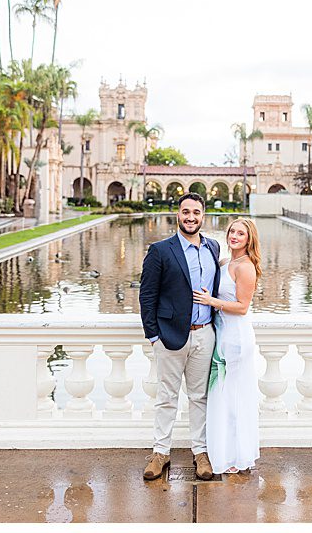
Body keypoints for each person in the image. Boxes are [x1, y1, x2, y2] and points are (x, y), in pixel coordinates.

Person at [140, 193, 221, 481]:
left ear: (203, 216)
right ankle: (160, 452)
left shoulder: (213, 247)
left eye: (196, 212)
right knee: (166, 397)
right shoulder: (161, 250)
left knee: (200, 397)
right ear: (178, 214)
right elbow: (147, 295)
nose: (190, 217)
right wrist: (153, 336)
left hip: (204, 335)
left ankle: (201, 452)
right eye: (185, 211)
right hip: (170, 337)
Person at [193, 217, 262, 474]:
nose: (234, 236)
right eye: (232, 231)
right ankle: (222, 449)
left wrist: (211, 301)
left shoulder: (245, 267)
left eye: (240, 233)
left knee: (232, 397)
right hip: (221, 335)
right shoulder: (225, 262)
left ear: (248, 239)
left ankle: (234, 455)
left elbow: (242, 308)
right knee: (222, 395)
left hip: (236, 338)